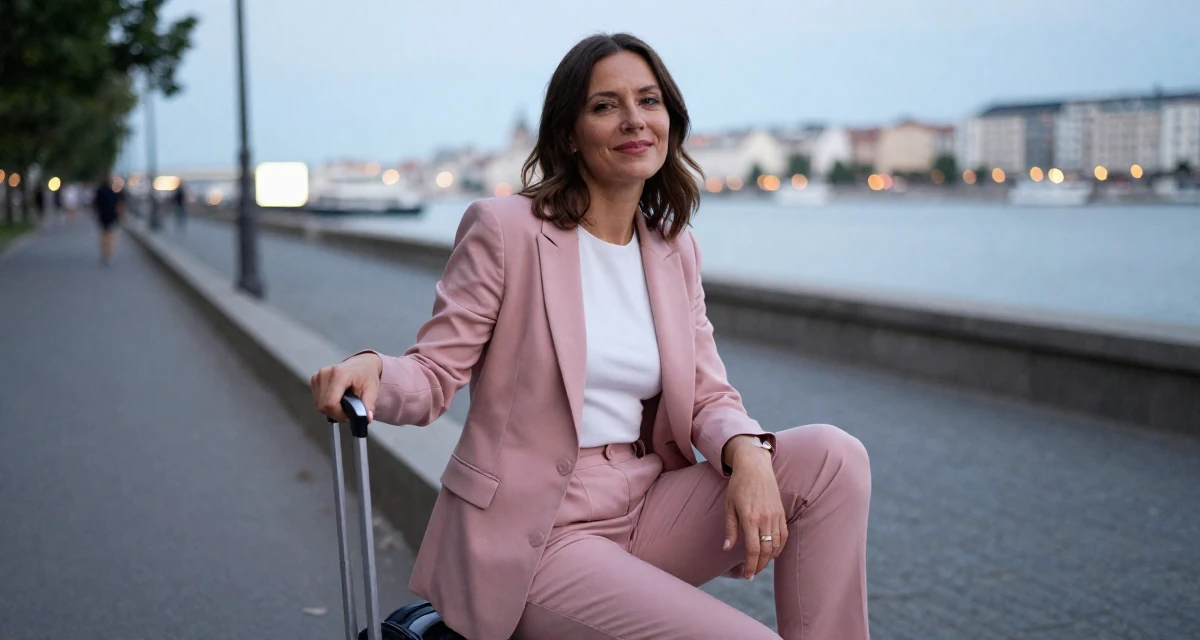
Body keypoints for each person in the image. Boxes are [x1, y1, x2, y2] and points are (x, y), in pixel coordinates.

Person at [311, 33, 870, 640]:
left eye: (648, 101)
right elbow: (435, 373)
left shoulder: (671, 248)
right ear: (569, 132)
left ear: (670, 121)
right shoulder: (506, 231)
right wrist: (375, 369)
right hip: (539, 534)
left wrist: (750, 454)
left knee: (833, 458)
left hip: (646, 501)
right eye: (605, 105)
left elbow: (709, 394)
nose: (634, 120)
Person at [93, 173, 124, 265]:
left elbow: (95, 204)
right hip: (112, 215)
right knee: (111, 235)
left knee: (103, 234)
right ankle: (110, 254)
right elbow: (118, 204)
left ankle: (104, 252)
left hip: (102, 215)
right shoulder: (114, 191)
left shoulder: (99, 191)